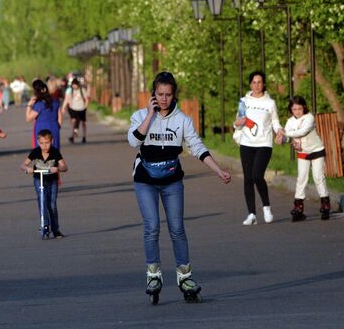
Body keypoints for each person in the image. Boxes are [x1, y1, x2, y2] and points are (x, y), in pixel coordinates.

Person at [128, 71, 231, 304]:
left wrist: (218, 170)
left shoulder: (182, 120)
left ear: (174, 96)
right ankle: (153, 275)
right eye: (159, 94)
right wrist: (149, 115)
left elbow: (197, 147)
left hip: (172, 180)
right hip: (145, 180)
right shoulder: (140, 116)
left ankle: (185, 277)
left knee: (177, 229)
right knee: (152, 227)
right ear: (153, 94)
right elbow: (134, 140)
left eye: (168, 95)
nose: (164, 99)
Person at [233, 71, 285, 225]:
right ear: (250, 84)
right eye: (254, 82)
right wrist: (236, 124)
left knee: (257, 175)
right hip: (247, 143)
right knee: (248, 178)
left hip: (264, 143)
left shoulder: (270, 103)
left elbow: (275, 122)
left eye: (260, 82)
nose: (257, 85)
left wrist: (279, 131)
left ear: (264, 84)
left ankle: (266, 206)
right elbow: (238, 120)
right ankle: (251, 214)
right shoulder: (243, 101)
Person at [280, 96, 331, 221]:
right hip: (302, 153)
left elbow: (302, 132)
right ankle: (298, 208)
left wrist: (284, 133)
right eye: (294, 109)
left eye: (300, 108)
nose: (297, 111)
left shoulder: (309, 118)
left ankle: (325, 204)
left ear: (304, 108)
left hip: (316, 150)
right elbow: (287, 137)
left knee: (318, 177)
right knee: (301, 178)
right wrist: (281, 139)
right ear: (291, 110)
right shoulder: (290, 121)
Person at [20, 129, 68, 239]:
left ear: (52, 141)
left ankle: (55, 229)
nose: (45, 146)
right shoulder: (35, 152)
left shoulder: (55, 152)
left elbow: (65, 167)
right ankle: (45, 226)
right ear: (38, 143)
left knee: (52, 204)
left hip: (52, 181)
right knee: (42, 202)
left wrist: (58, 168)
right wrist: (28, 168)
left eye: (47, 143)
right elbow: (22, 165)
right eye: (42, 143)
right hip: (39, 179)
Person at [26, 79, 62, 149]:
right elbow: (60, 116)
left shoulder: (39, 104)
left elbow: (28, 118)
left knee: (42, 151)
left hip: (41, 128)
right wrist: (57, 128)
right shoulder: (55, 102)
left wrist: (29, 105)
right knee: (54, 151)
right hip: (54, 127)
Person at [61, 78, 89, 144]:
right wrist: (63, 107)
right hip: (73, 108)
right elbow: (67, 99)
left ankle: (84, 136)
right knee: (73, 121)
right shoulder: (71, 91)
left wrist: (85, 107)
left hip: (82, 108)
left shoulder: (82, 90)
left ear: (77, 84)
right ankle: (73, 135)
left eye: (75, 85)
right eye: (73, 85)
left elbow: (87, 98)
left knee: (83, 123)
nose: (74, 86)